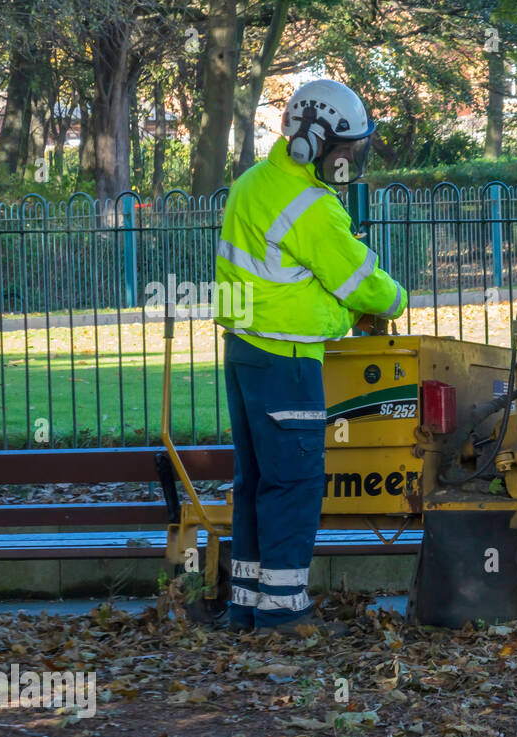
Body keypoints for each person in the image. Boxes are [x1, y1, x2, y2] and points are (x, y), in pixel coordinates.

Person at [214, 78, 406, 633]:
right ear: (313, 143)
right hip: (288, 359)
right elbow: (362, 282)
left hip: (244, 352)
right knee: (294, 483)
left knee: (254, 481)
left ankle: (246, 606)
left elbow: (282, 281)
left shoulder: (254, 183)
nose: (350, 162)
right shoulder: (312, 208)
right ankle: (285, 615)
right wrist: (396, 300)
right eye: (346, 150)